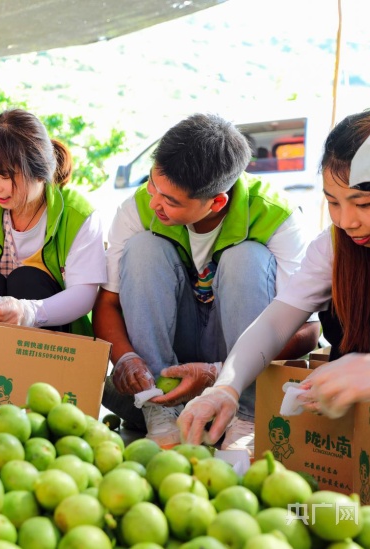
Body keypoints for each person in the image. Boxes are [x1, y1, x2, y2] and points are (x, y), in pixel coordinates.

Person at [95, 113, 320, 450]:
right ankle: (159, 407)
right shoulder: (137, 209)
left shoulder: (278, 218)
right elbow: (107, 304)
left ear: (216, 202)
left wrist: (221, 373)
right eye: (153, 185)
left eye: (171, 201)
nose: (155, 203)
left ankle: (245, 417)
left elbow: (308, 331)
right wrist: (126, 358)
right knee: (142, 249)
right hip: (169, 368)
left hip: (239, 369)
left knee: (246, 257)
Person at [179, 108, 370, 446]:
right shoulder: (334, 248)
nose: (347, 221)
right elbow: (275, 323)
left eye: (364, 204)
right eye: (333, 202)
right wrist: (227, 387)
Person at [0, 109, 107, 383]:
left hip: (53, 350)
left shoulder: (77, 213)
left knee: (28, 279)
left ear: (40, 172)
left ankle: (39, 386)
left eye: (5, 175)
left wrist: (28, 312)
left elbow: (83, 296)